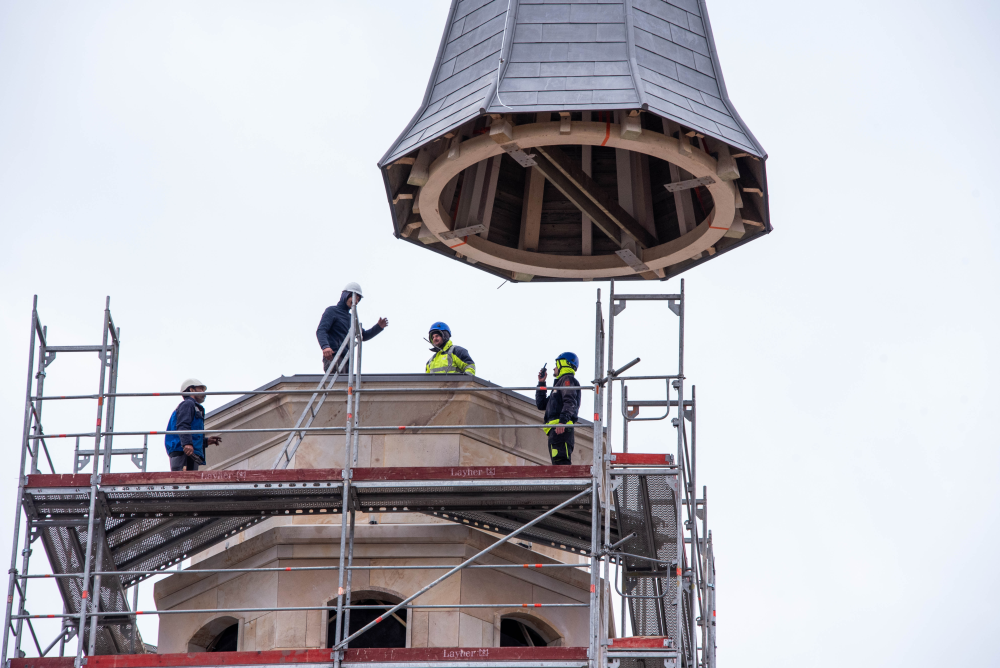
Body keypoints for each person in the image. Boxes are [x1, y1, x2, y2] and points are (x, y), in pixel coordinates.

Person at [317, 282, 389, 372]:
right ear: (345, 295)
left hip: (347, 360)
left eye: (358, 299)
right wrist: (325, 346)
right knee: (337, 384)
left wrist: (378, 327)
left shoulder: (352, 318)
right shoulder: (332, 311)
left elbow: (363, 335)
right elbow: (321, 330)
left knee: (346, 385)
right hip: (334, 356)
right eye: (354, 297)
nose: (356, 302)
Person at [165, 379, 222, 471]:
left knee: (189, 481)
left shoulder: (194, 407)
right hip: (183, 451)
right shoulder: (188, 404)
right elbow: (183, 425)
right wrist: (187, 443)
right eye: (201, 389)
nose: (204, 393)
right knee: (182, 481)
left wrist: (205, 441)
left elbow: (192, 432)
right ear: (191, 389)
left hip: (188, 451)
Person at [535, 353, 581, 465]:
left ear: (563, 364)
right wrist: (541, 383)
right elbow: (541, 404)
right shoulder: (559, 384)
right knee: (558, 465)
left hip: (561, 429)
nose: (554, 368)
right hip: (555, 430)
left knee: (561, 465)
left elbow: (570, 402)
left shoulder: (567, 380)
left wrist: (562, 422)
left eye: (556, 365)